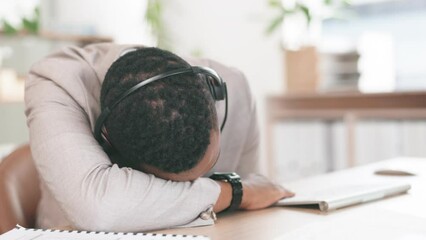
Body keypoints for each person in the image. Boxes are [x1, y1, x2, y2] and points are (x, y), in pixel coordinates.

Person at [25, 43, 294, 232]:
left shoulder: (234, 86)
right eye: (166, 184)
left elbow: (255, 203)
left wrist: (242, 196)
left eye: (211, 164)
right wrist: (233, 191)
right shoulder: (56, 83)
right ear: (110, 141)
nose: (192, 187)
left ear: (213, 94)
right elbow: (99, 208)